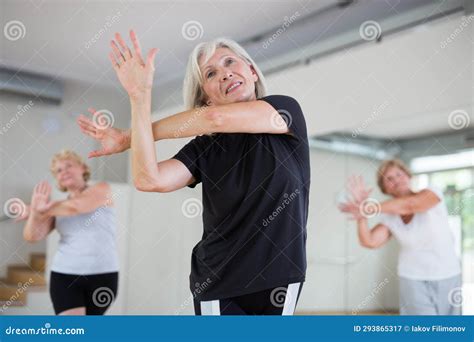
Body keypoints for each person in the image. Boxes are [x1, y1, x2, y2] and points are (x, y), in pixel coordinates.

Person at [76, 30, 310, 315]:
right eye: (210, 74)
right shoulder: (205, 148)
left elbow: (216, 119)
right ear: (206, 98)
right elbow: (148, 179)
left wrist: (129, 138)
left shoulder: (285, 112)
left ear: (251, 71)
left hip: (279, 276)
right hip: (217, 281)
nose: (224, 74)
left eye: (229, 62)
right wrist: (139, 98)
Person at [339, 159, 462, 315]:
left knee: (451, 331)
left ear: (408, 175)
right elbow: (369, 241)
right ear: (385, 188)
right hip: (412, 278)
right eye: (389, 179)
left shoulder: (432, 192)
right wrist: (362, 214)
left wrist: (368, 207)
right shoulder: (390, 216)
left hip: (448, 274)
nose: (396, 180)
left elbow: (411, 205)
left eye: (399, 174)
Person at [21, 150, 119, 315]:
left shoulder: (102, 189)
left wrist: (35, 209)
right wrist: (36, 215)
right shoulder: (56, 208)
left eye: (68, 165)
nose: (64, 171)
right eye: (58, 170)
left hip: (103, 275)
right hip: (64, 275)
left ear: (82, 168)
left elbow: (77, 206)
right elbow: (32, 236)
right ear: (57, 178)